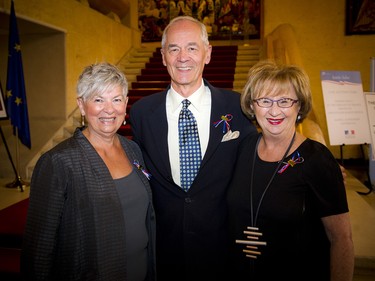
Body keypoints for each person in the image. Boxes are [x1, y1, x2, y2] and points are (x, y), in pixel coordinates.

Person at [130, 16, 257, 281]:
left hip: (222, 250)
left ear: (207, 53)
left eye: (191, 47)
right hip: (163, 250)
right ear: (163, 57)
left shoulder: (238, 108)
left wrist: (306, 166)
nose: (182, 57)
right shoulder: (141, 112)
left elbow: (259, 157)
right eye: (174, 49)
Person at [21, 62, 156, 281]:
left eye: (116, 99)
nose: (109, 109)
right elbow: (39, 247)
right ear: (82, 106)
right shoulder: (58, 162)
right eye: (98, 100)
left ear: (126, 104)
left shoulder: (133, 149)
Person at [227, 60, 354, 281]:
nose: (274, 110)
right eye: (265, 101)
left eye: (285, 101)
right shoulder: (243, 148)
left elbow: (341, 239)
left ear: (299, 106)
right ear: (252, 105)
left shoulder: (317, 159)